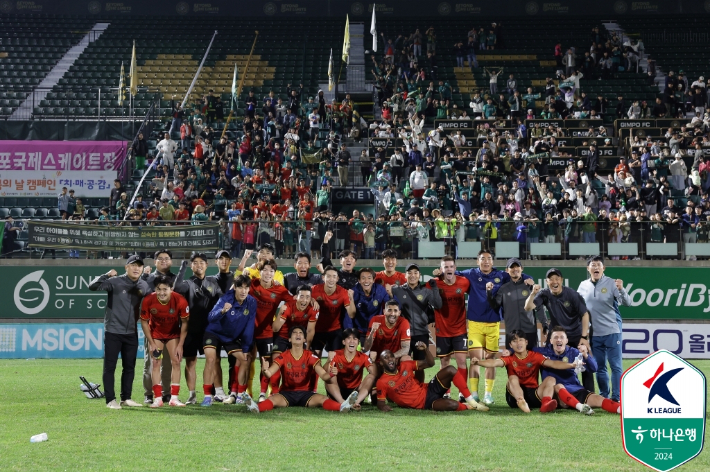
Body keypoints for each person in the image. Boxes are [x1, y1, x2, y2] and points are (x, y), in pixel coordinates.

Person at [432, 249, 532, 405]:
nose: (486, 261)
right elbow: (451, 272)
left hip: (494, 324)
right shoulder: (470, 274)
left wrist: (528, 279)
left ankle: (488, 394)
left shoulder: (502, 276)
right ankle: (473, 393)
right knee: (475, 359)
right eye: (483, 259)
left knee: (490, 358)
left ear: (493, 261)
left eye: (489, 258)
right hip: (475, 324)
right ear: (477, 261)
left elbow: (516, 275)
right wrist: (439, 273)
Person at [243, 326, 359, 413]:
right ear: (289, 339)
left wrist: (331, 374)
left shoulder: (310, 356)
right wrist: (264, 370)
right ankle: (256, 408)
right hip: (287, 394)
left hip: (306, 394)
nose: (297, 334)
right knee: (272, 400)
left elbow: (323, 376)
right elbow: (268, 374)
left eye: (300, 333)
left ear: (304, 339)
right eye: (294, 333)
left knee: (323, 399)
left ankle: (342, 407)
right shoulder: (283, 356)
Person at [89, 255, 151, 409]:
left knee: (129, 366)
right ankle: (110, 400)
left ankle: (126, 398)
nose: (136, 268)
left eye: (139, 266)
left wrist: (148, 276)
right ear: (126, 267)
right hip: (113, 331)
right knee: (110, 367)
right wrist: (106, 275)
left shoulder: (143, 284)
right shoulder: (114, 282)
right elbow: (92, 286)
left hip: (131, 331)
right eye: (133, 265)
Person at [472, 329, 580, 413]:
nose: (518, 343)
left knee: (551, 379)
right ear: (510, 345)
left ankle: (545, 404)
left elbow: (553, 363)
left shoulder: (535, 356)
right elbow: (493, 363)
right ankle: (521, 401)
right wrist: (478, 362)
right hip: (514, 397)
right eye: (514, 341)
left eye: (521, 340)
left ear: (526, 342)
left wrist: (571, 365)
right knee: (512, 378)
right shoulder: (509, 358)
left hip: (533, 394)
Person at [523, 268, 594, 392]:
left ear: (561, 280)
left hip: (575, 334)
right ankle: (548, 391)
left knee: (584, 363)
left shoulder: (572, 294)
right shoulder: (544, 293)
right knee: (545, 361)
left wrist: (584, 337)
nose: (554, 281)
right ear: (547, 281)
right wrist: (533, 293)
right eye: (551, 279)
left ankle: (588, 394)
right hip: (557, 335)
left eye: (557, 278)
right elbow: (528, 307)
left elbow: (585, 315)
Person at [577, 256, 630, 402]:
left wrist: (622, 290)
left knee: (615, 366)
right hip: (595, 333)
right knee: (600, 367)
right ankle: (604, 397)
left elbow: (628, 303)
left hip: (612, 331)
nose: (596, 268)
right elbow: (579, 308)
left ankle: (617, 398)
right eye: (593, 265)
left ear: (603, 268)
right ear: (588, 269)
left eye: (598, 265)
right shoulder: (582, 286)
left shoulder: (612, 284)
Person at [376, 341, 486, 411]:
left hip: (429, 388)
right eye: (386, 358)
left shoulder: (405, 365)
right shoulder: (382, 382)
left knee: (450, 369)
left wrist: (425, 350)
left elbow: (430, 363)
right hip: (426, 403)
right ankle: (467, 406)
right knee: (452, 405)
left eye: (391, 357)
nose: (390, 359)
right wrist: (383, 407)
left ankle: (472, 402)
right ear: (381, 363)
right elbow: (380, 402)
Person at [173, 252, 223, 404]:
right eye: (195, 262)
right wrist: (183, 267)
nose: (199, 265)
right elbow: (175, 287)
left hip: (208, 330)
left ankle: (211, 394)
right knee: (191, 362)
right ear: (192, 266)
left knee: (212, 360)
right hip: (190, 330)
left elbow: (222, 300)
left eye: (202, 262)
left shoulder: (213, 284)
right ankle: (192, 394)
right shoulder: (188, 283)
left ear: (207, 265)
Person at [201, 275, 257, 406]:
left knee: (244, 359)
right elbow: (210, 317)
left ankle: (240, 395)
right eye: (240, 287)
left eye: (246, 287)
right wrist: (222, 311)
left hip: (230, 337)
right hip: (214, 332)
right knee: (211, 359)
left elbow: (249, 326)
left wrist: (246, 347)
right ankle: (207, 396)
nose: (243, 291)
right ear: (235, 288)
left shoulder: (252, 302)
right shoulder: (226, 299)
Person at [537, 326, 620, 414]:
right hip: (556, 393)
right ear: (551, 341)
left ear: (566, 341)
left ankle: (622, 410)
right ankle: (581, 407)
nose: (559, 340)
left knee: (598, 399)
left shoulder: (574, 352)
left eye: (562, 337)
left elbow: (594, 368)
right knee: (559, 386)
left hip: (575, 389)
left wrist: (586, 355)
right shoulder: (542, 352)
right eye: (556, 337)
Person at [139, 275, 189, 408]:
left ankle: (174, 398)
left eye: (165, 289)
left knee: (176, 362)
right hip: (156, 335)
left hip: (173, 335)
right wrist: (152, 343)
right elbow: (144, 321)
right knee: (156, 363)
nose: (161, 292)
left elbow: (185, 323)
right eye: (158, 289)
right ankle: (158, 398)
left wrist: (180, 345)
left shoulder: (180, 300)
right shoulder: (149, 300)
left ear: (171, 288)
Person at [388, 263, 442, 383]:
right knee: (401, 362)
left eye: (415, 273)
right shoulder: (397, 290)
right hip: (403, 334)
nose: (412, 275)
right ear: (405, 275)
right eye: (410, 273)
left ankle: (419, 389)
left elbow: (438, 305)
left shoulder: (426, 292)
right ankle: (400, 388)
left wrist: (435, 288)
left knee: (420, 365)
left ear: (419, 275)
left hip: (421, 333)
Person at [426, 256, 470, 401]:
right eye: (446, 267)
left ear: (455, 268)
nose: (449, 269)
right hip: (442, 330)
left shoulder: (464, 282)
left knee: (462, 362)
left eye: (451, 266)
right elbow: (423, 296)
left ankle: (463, 393)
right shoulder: (434, 283)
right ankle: (446, 392)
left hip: (460, 330)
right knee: (444, 363)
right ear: (442, 269)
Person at [248, 259, 292, 401]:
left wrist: (281, 315)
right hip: (248, 329)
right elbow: (235, 288)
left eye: (271, 271)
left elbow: (293, 301)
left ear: (275, 273)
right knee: (246, 361)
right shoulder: (252, 284)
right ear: (259, 272)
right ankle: (240, 393)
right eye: (265, 270)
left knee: (265, 362)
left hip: (266, 331)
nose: (268, 273)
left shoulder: (279, 289)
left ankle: (262, 394)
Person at [140, 249, 178, 404]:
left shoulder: (177, 279)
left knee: (169, 363)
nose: (164, 261)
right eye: (160, 258)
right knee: (151, 362)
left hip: (171, 329)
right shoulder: (147, 279)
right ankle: (149, 393)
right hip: (153, 328)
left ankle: (167, 393)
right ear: (154, 261)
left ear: (171, 261)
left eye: (167, 258)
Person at [487, 258, 548, 351]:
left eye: (517, 266)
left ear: (522, 268)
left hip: (530, 331)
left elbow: (539, 307)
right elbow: (495, 306)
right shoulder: (503, 289)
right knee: (511, 363)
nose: (515, 269)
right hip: (511, 332)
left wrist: (545, 324)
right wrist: (489, 292)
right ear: (507, 270)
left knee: (532, 363)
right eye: (512, 267)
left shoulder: (531, 287)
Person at [311, 266, 356, 362]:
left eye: (334, 276)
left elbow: (351, 314)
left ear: (337, 279)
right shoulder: (314, 290)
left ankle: (328, 376)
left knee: (333, 360)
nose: (331, 279)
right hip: (317, 330)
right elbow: (299, 297)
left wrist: (351, 299)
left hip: (335, 330)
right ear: (323, 277)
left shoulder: (343, 292)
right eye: (328, 276)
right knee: (314, 359)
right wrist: (311, 299)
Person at [325, 328, 376, 409]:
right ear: (343, 342)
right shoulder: (336, 354)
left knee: (371, 377)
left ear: (358, 342)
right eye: (349, 338)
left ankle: (355, 403)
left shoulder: (363, 357)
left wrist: (373, 361)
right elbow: (325, 373)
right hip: (338, 390)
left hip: (355, 393)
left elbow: (374, 373)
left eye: (355, 338)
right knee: (330, 374)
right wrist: (328, 361)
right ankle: (342, 402)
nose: (352, 341)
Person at [272, 284, 319, 356]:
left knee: (302, 360)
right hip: (283, 336)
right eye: (302, 296)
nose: (304, 300)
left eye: (307, 297)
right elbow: (275, 329)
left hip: (299, 337)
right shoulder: (288, 307)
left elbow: (310, 331)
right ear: (296, 297)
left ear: (311, 298)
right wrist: (279, 314)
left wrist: (307, 348)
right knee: (276, 358)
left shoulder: (313, 309)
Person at [350, 267, 390, 347]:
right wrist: (350, 333)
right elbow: (350, 315)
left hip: (377, 331)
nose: (366, 281)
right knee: (361, 356)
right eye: (363, 278)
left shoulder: (380, 290)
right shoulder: (353, 292)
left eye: (369, 278)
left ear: (373, 280)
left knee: (377, 356)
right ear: (359, 280)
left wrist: (391, 295)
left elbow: (390, 305)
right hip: (360, 332)